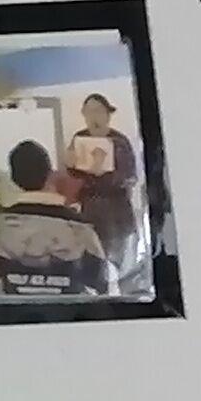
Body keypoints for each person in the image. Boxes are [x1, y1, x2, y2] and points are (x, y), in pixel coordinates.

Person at [0, 140, 106, 299]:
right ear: (50, 174)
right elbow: (100, 285)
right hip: (69, 313)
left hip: (15, 313)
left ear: (14, 179)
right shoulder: (80, 229)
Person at [61, 94, 142, 284]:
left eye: (98, 111)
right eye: (88, 112)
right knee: (93, 260)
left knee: (120, 265)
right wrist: (69, 164)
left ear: (108, 114)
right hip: (90, 209)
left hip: (116, 210)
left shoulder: (119, 141)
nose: (93, 116)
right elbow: (74, 175)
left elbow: (130, 176)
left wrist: (105, 173)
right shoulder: (80, 138)